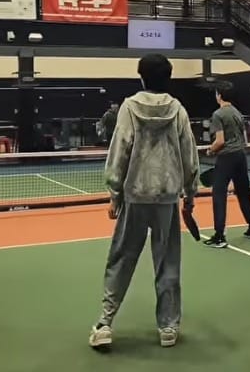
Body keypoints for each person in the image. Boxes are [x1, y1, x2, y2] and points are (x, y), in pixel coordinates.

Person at [89, 54, 199, 351]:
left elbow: (119, 151)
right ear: (168, 77)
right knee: (168, 263)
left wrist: (115, 193)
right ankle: (168, 327)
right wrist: (190, 193)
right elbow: (190, 155)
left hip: (135, 197)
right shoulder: (177, 109)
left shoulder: (129, 107)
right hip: (166, 197)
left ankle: (104, 324)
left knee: (121, 258)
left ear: (141, 77)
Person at [204, 82, 250, 248]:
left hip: (227, 157)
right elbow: (243, 136)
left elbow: (220, 141)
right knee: (244, 193)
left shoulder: (218, 114)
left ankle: (219, 236)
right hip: (240, 156)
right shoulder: (237, 113)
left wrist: (210, 150)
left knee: (219, 194)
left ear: (219, 95)